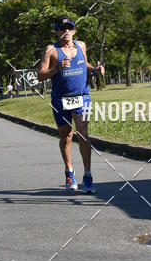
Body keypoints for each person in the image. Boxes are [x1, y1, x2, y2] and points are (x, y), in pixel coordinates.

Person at [37, 16, 104, 193]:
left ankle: (88, 176)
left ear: (74, 30)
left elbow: (85, 64)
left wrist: (94, 69)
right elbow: (40, 75)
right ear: (57, 31)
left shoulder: (81, 46)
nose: (67, 31)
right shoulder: (51, 50)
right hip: (60, 99)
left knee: (83, 133)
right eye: (62, 28)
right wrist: (56, 68)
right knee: (66, 137)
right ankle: (69, 172)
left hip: (82, 96)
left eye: (70, 28)